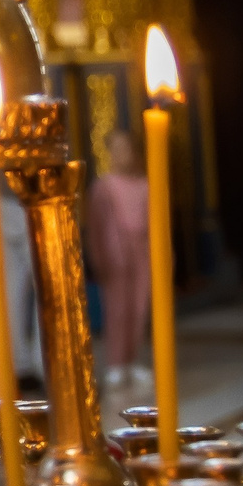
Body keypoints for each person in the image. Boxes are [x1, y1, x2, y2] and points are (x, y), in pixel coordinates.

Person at [91, 129, 153, 388]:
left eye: (126, 148)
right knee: (117, 308)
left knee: (139, 306)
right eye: (116, 149)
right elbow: (96, 226)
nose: (122, 155)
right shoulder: (103, 187)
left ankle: (132, 359)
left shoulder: (145, 185)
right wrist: (99, 257)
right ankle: (116, 362)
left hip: (142, 252)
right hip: (115, 254)